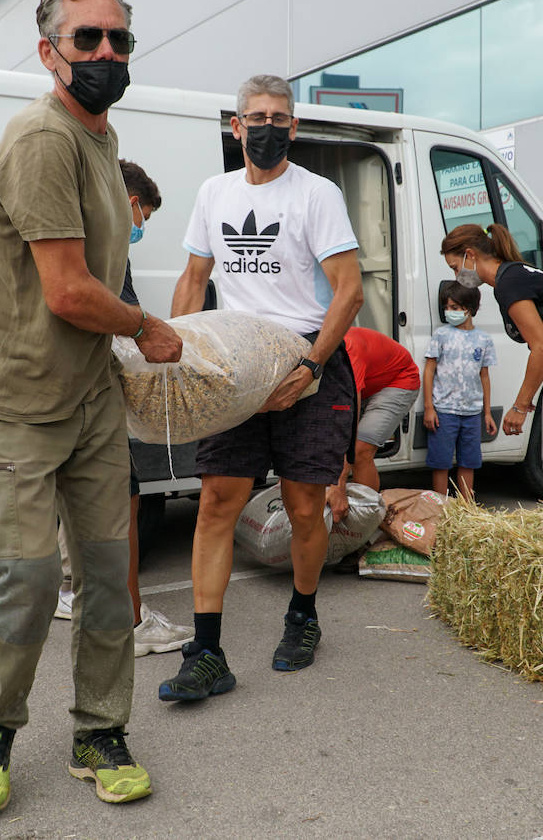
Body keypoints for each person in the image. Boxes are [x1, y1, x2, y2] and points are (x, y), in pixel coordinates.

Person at [0, 0, 183, 811]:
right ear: (50, 53)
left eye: (119, 38)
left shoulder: (103, 139)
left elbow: (103, 271)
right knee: (28, 577)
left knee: (111, 571)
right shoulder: (44, 140)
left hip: (88, 398)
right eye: (88, 39)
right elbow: (68, 291)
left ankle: (99, 730)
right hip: (16, 399)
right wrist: (148, 329)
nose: (106, 52)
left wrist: (131, 330)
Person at [159, 73, 364, 701]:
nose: (267, 127)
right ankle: (207, 651)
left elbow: (349, 289)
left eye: (280, 117)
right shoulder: (214, 193)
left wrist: (309, 368)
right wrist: (178, 358)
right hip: (235, 368)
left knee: (304, 506)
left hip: (307, 361)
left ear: (294, 127)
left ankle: (302, 616)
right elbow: (194, 280)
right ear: (236, 126)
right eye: (257, 117)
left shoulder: (317, 194)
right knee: (218, 503)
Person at [0, 159, 193, 660]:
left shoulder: (57, 227)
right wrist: (152, 331)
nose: (139, 229)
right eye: (143, 217)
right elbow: (108, 311)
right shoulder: (103, 238)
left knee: (16, 520)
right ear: (130, 202)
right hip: (71, 394)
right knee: (122, 496)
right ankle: (129, 621)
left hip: (16, 390)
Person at [440, 222, 543, 507]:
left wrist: (520, 406)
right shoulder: (512, 275)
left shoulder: (509, 283)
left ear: (470, 255)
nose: (457, 276)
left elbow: (542, 348)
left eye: (456, 267)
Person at [325, 326, 421, 517]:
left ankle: (367, 519)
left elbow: (349, 420)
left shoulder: (348, 352)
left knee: (360, 450)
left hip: (398, 381)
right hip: (370, 381)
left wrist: (339, 483)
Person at [422, 281, 498, 497]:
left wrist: (487, 413)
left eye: (454, 308)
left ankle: (465, 509)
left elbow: (484, 376)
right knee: (441, 462)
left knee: (469, 462)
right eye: (447, 308)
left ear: (470, 308)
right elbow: (429, 371)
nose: (449, 312)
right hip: (444, 411)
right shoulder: (441, 335)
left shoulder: (484, 339)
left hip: (472, 414)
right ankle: (441, 507)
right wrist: (429, 407)